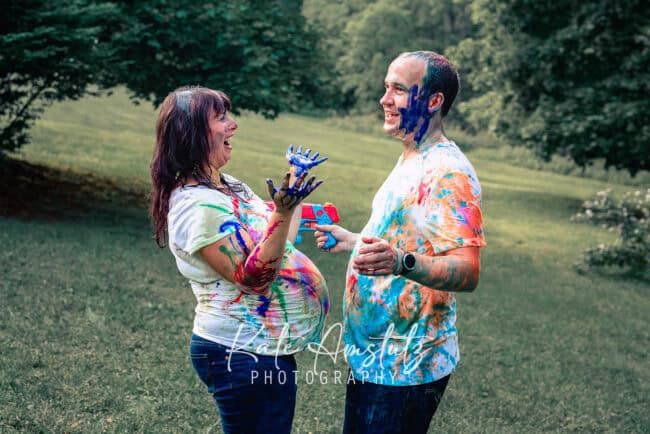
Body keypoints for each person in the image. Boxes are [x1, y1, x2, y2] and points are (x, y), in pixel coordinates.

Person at [314, 51, 486, 433]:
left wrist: (399, 262)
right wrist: (355, 241)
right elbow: (407, 240)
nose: (384, 99)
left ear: (433, 100)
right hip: (376, 355)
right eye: (385, 88)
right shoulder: (412, 156)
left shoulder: (448, 171)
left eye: (398, 90)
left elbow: (468, 270)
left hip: (407, 366)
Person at [150, 86, 329, 433]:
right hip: (238, 351)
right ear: (193, 134)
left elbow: (279, 247)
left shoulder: (228, 186)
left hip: (262, 347)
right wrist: (282, 210)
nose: (233, 125)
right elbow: (254, 280)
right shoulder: (196, 206)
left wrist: (293, 189)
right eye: (221, 118)